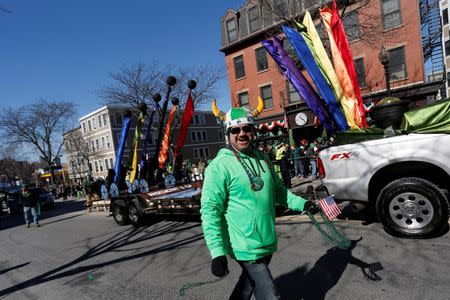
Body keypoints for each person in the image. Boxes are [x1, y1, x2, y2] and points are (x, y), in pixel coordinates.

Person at [203, 104, 317, 299]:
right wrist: (217, 252)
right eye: (235, 130)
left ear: (253, 130)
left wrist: (303, 204)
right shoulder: (219, 166)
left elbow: (279, 193)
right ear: (228, 133)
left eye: (246, 128)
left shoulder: (263, 159)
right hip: (244, 245)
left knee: (247, 285)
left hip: (266, 240)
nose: (242, 133)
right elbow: (210, 210)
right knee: (270, 295)